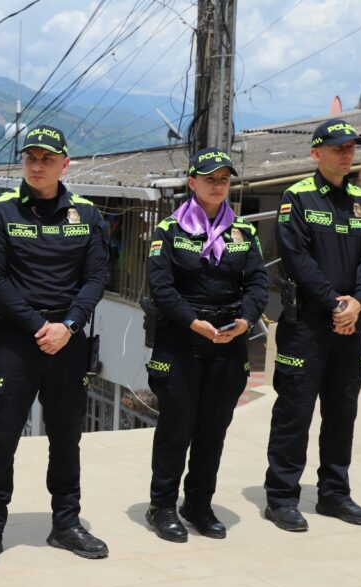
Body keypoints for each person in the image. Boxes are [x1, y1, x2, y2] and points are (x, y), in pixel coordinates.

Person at [0, 124, 109, 567]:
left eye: (47, 158)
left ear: (64, 164)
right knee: (1, 437)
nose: (37, 165)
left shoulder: (87, 214)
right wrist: (39, 327)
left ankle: (66, 524)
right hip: (15, 340)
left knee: (67, 437)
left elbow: (96, 278)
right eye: (31, 157)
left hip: (68, 341)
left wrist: (67, 325)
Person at [144, 148, 268, 542]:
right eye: (210, 178)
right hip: (181, 340)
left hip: (228, 342)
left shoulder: (243, 232)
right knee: (176, 428)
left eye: (224, 179)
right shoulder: (169, 230)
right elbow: (161, 286)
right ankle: (161, 506)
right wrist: (191, 321)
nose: (218, 185)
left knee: (213, 430)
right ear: (192, 183)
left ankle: (197, 504)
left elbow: (258, 283)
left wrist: (246, 320)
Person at [263, 119, 361, 531]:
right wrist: (334, 303)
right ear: (317, 154)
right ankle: (280, 497)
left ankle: (334, 494)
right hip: (307, 323)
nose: (346, 154)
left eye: (351, 147)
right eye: (338, 148)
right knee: (294, 411)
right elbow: (297, 259)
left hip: (349, 322)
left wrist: (358, 302)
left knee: (342, 411)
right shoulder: (296, 197)